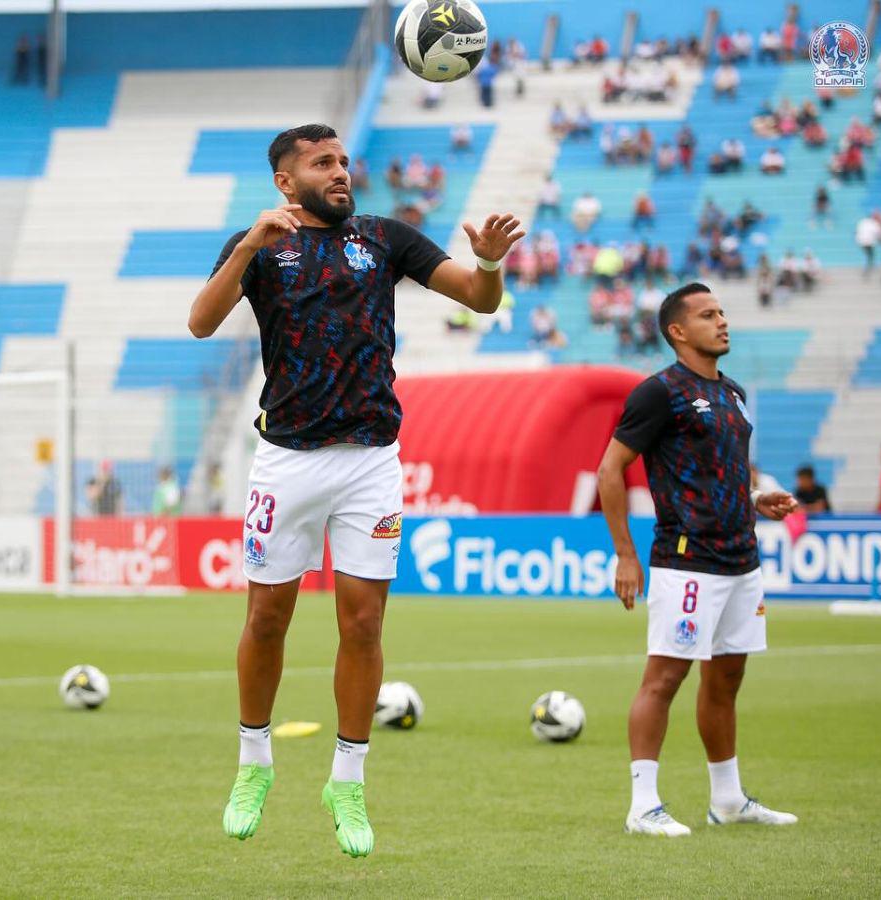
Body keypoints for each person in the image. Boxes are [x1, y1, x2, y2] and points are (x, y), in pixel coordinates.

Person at [189, 123, 524, 858]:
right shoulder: (260, 246)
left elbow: (479, 298)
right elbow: (200, 322)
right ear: (286, 180)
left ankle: (347, 781)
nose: (341, 172)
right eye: (322, 163)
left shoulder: (383, 236)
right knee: (268, 617)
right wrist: (247, 245)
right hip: (287, 461)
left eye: (343, 161)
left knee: (364, 625)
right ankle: (254, 766)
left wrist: (490, 264)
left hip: (372, 460)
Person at [597, 283, 799, 837]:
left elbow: (723, 470)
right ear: (678, 331)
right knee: (664, 678)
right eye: (709, 315)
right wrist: (625, 556)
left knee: (727, 679)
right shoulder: (658, 393)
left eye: (723, 312)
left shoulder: (732, 393)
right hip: (687, 561)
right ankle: (643, 806)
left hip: (743, 560)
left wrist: (757, 500)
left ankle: (728, 800)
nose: (723, 321)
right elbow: (610, 470)